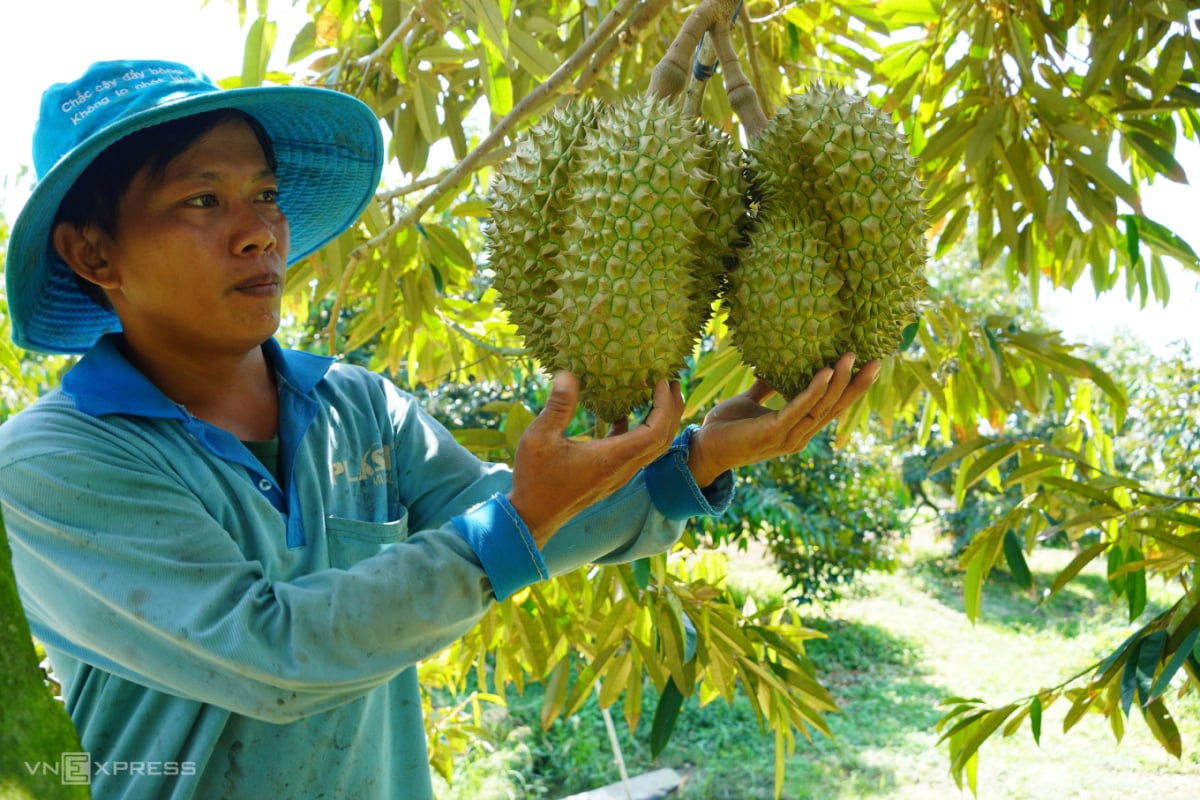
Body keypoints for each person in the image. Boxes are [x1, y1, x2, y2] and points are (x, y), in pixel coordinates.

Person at [0, 60, 879, 799]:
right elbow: (274, 656)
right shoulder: (53, 463)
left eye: (265, 195)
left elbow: (520, 516)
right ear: (93, 254)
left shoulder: (356, 406)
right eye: (202, 199)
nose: (259, 232)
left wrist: (702, 455)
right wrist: (517, 524)